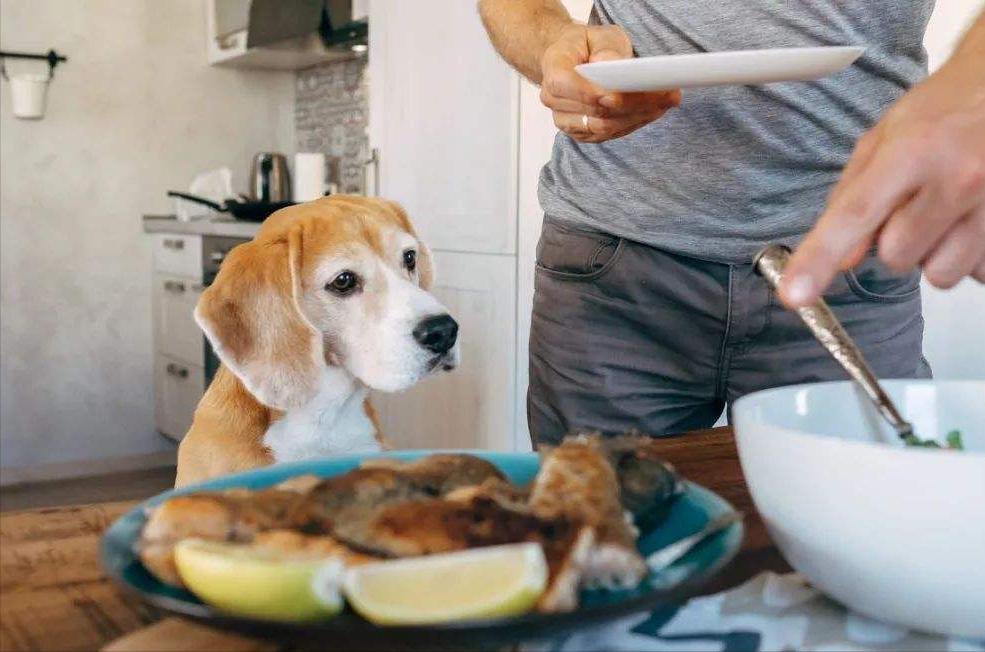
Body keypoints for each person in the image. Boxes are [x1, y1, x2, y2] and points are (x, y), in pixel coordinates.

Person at [478, 0, 985, 446]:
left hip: (846, 264)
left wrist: (973, 81)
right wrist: (558, 45)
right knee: (599, 528)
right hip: (613, 267)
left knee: (866, 527)